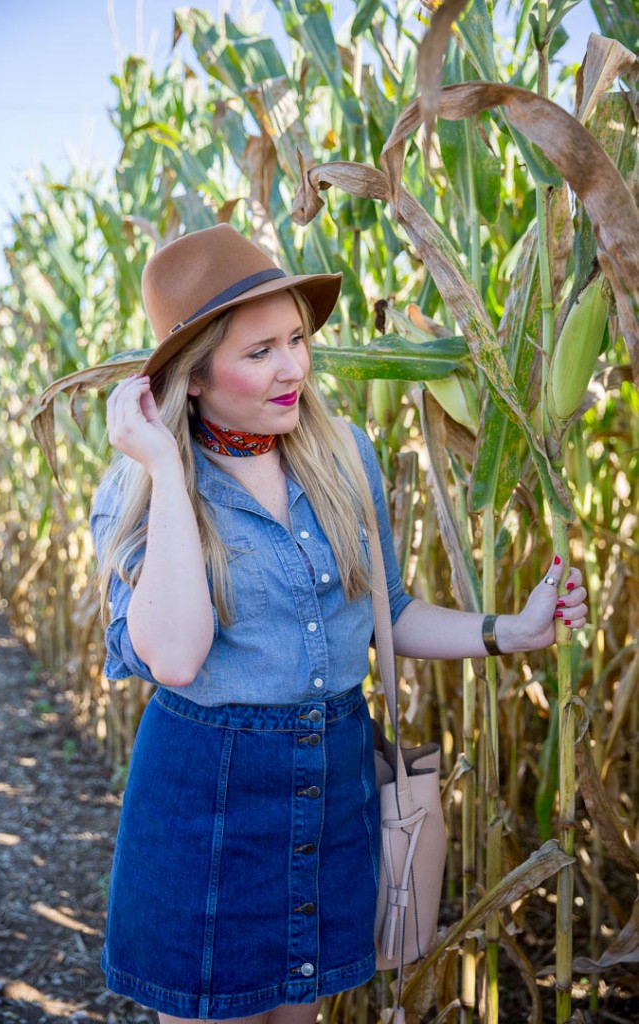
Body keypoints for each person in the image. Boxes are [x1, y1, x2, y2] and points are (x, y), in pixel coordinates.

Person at [90, 224, 587, 1024]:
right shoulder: (142, 490)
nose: (294, 367)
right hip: (208, 796)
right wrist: (164, 468)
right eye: (259, 352)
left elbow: (383, 615)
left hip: (334, 780)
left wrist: (509, 631)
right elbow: (174, 656)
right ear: (193, 376)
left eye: (296, 338)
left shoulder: (343, 454)